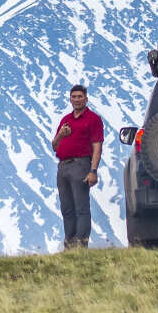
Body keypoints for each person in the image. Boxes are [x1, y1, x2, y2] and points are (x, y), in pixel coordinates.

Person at [49, 83, 103, 250]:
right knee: (67, 207)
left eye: (80, 97)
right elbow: (55, 146)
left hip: (81, 163)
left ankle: (80, 244)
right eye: (74, 97)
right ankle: (69, 243)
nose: (77, 100)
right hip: (63, 165)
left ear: (86, 99)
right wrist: (60, 134)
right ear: (70, 99)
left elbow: (97, 146)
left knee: (81, 206)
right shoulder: (66, 120)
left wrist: (93, 170)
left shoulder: (93, 119)